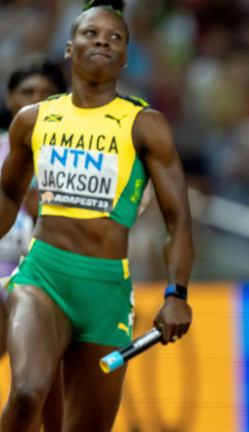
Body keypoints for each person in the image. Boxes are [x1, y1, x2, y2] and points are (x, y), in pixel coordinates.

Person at [0, 1, 194, 431]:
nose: (102, 40)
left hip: (106, 291)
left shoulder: (145, 125)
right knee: (28, 389)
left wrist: (176, 293)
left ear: (126, 56)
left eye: (115, 37)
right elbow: (8, 195)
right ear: (69, 48)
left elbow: (178, 219)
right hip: (42, 276)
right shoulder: (32, 120)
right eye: (90, 33)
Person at [0, 55, 67, 432]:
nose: (36, 101)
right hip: (4, 284)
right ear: (10, 99)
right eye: (27, 92)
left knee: (45, 401)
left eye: (47, 93)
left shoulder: (79, 157)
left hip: (54, 285)